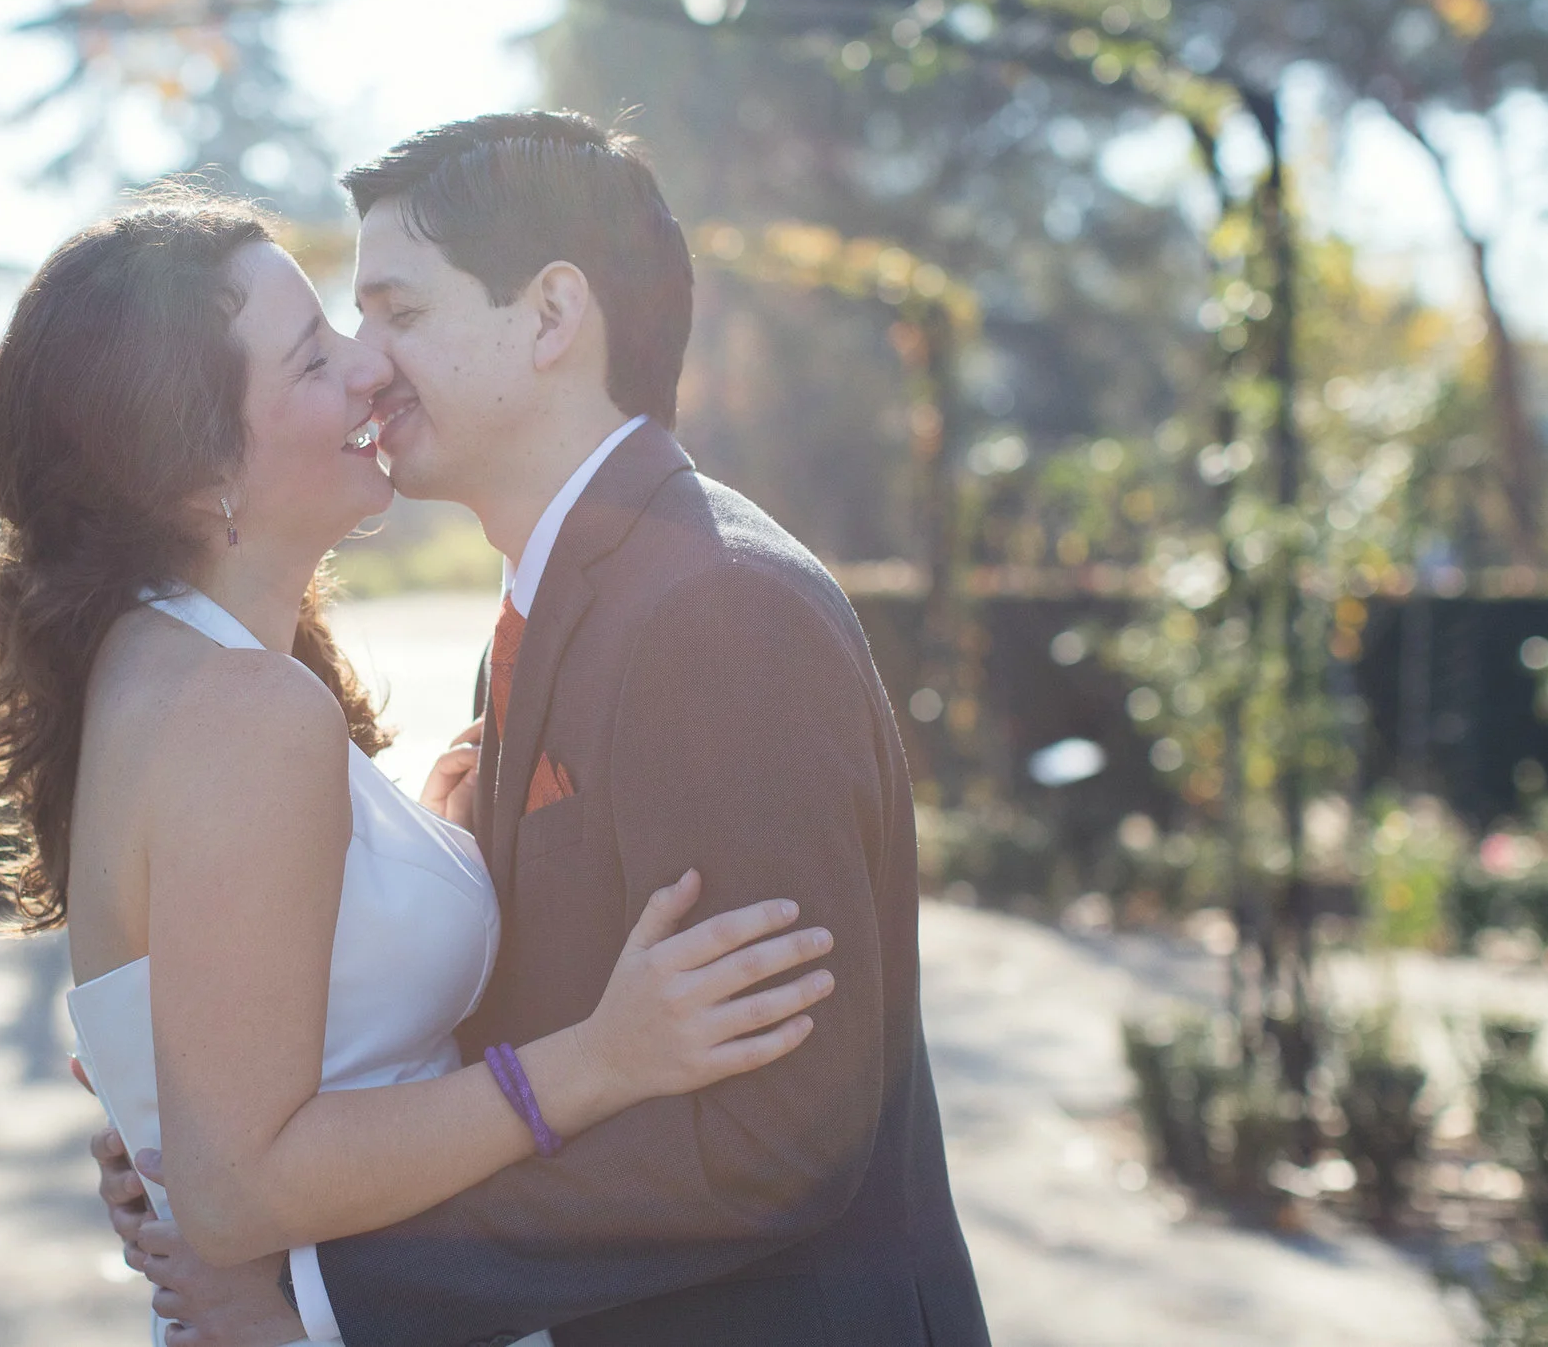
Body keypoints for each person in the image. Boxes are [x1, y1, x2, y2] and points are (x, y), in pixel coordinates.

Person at [99, 114, 991, 1347]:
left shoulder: (719, 610)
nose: (365, 362)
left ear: (551, 316)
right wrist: (192, 1119)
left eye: (399, 312)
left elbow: (774, 1136)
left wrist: (321, 1288)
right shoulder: (549, 605)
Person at [0, 194, 839, 1347]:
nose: (369, 368)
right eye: (314, 357)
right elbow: (238, 1189)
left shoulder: (157, 664)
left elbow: (255, 1017)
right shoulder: (244, 711)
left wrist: (414, 844)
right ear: (194, 466)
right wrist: (599, 1061)